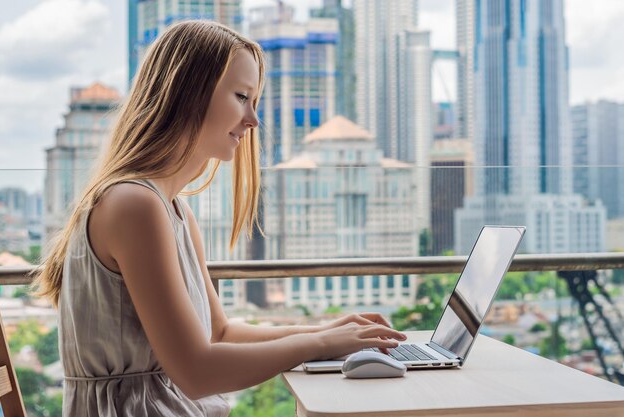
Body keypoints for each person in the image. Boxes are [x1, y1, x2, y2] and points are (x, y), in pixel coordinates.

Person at [32, 20, 406, 416]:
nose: (253, 120)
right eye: (242, 96)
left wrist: (328, 331)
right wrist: (321, 345)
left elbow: (219, 333)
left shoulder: (171, 208)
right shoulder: (133, 205)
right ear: (187, 94)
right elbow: (196, 372)